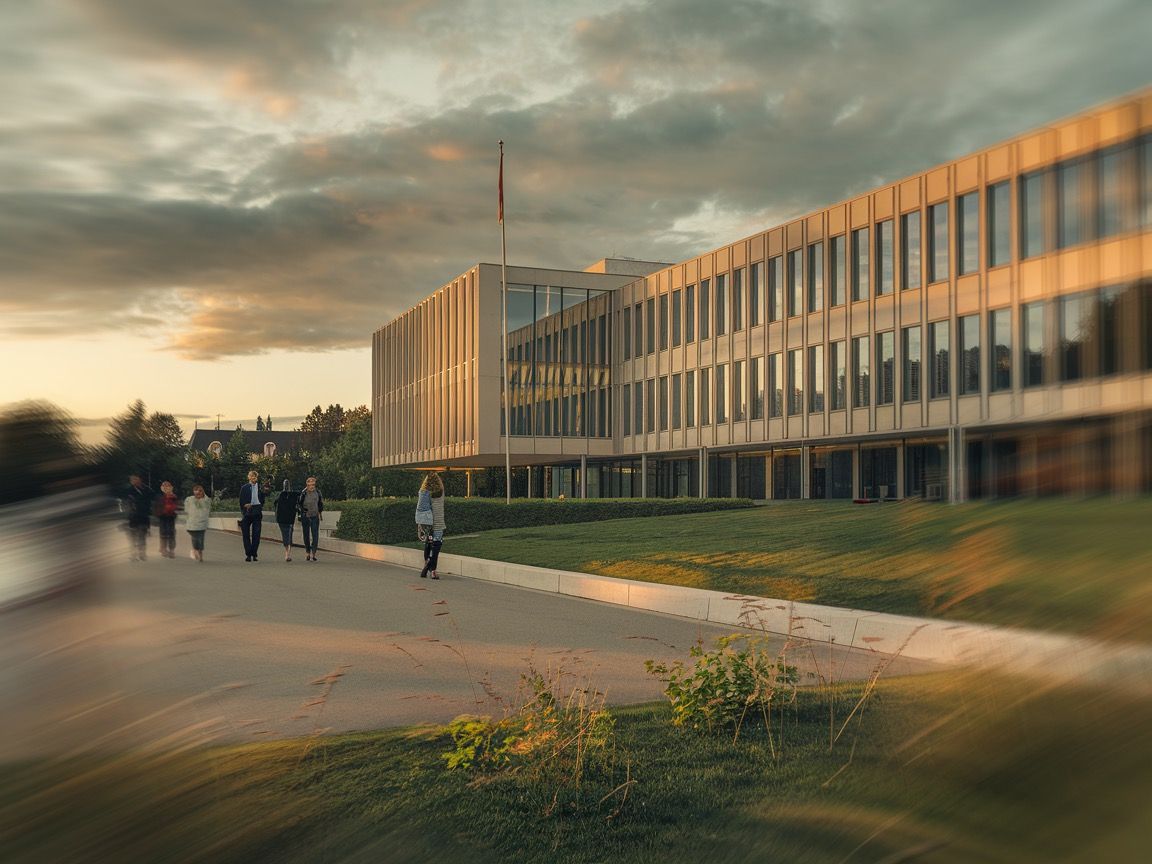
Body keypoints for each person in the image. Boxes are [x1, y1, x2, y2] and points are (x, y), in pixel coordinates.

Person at [416, 472, 446, 579]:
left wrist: (421, 523)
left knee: (428, 543)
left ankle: (426, 562)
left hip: (427, 522)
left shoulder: (423, 492)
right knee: (436, 545)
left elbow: (421, 508)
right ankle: (433, 570)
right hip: (438, 523)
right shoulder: (440, 492)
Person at [123, 474, 154, 561]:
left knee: (142, 536)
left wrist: (149, 511)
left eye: (135, 479)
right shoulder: (129, 491)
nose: (133, 481)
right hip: (133, 517)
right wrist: (127, 514)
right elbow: (125, 503)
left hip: (144, 516)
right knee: (133, 537)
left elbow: (151, 500)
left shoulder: (147, 490)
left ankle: (142, 554)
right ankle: (133, 554)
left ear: (140, 480)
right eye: (132, 480)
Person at [239, 470, 265, 562]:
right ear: (248, 477)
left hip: (257, 511)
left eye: (255, 476)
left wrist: (259, 506)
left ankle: (254, 554)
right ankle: (248, 554)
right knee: (245, 534)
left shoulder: (260, 488)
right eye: (251, 476)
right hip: (247, 512)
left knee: (256, 534)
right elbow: (241, 501)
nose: (253, 478)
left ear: (256, 478)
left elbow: (263, 499)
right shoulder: (244, 488)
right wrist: (245, 506)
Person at [297, 476, 324, 561]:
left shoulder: (318, 492)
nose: (312, 486)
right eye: (310, 484)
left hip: (315, 515)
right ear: (307, 485)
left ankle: (314, 553)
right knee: (306, 535)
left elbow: (320, 504)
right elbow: (299, 504)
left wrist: (320, 514)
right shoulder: (303, 493)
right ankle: (308, 552)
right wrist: (302, 512)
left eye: (313, 484)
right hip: (306, 516)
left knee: (315, 535)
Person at [184, 484, 211, 561]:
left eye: (200, 492)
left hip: (202, 524)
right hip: (192, 524)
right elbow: (186, 510)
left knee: (201, 539)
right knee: (195, 539)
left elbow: (207, 503)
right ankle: (195, 550)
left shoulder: (206, 500)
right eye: (196, 493)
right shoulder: (189, 499)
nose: (198, 494)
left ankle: (200, 555)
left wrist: (203, 495)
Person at [154, 480, 180, 558]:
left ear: (171, 487)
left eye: (168, 486)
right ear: (162, 488)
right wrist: (158, 513)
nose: (166, 488)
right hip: (162, 517)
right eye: (164, 486)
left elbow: (176, 506)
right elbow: (156, 506)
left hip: (171, 516)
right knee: (163, 533)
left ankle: (171, 550)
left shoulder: (174, 496)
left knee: (171, 533)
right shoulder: (159, 496)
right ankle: (164, 549)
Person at [275, 479, 298, 562]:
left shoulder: (289, 495)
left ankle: (287, 553)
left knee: (288, 534)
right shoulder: (283, 495)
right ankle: (287, 553)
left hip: (287, 518)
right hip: (283, 518)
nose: (286, 486)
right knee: (287, 535)